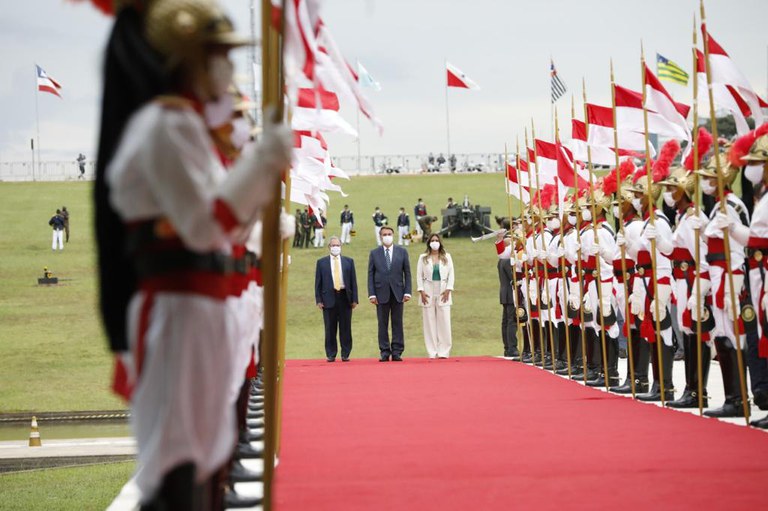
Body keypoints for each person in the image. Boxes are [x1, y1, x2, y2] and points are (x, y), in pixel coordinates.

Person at [94, 0, 291, 507]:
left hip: (203, 303)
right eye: (218, 55)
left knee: (204, 451)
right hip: (178, 307)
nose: (226, 67)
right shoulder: (167, 126)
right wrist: (263, 161)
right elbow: (205, 226)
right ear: (189, 61)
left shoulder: (190, 129)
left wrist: (261, 182)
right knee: (179, 461)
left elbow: (231, 225)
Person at [368, 226, 412, 361]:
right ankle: (385, 351)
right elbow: (370, 274)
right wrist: (372, 294)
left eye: (389, 234)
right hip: (381, 293)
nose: (387, 236)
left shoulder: (402, 252)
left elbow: (407, 273)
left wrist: (408, 291)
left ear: (393, 235)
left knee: (397, 322)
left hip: (398, 292)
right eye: (384, 234)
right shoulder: (374, 253)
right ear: (381, 237)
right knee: (382, 323)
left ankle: (397, 351)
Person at [315, 236, 358, 362]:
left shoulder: (348, 262)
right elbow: (318, 282)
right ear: (329, 247)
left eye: (337, 245)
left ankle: (345, 353)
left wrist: (354, 299)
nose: (335, 247)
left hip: (345, 297)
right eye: (333, 245)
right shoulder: (321, 262)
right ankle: (331, 353)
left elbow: (353, 281)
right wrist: (319, 300)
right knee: (330, 327)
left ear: (341, 246)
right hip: (329, 297)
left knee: (346, 327)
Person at [416, 233, 454, 358]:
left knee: (444, 322)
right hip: (428, 290)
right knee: (429, 322)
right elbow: (419, 275)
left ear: (440, 242)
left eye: (436, 240)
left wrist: (449, 289)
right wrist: (421, 290)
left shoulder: (447, 257)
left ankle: (444, 351)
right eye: (432, 240)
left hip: (443, 290)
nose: (434, 242)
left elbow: (451, 274)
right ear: (429, 243)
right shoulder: (423, 258)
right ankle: (432, 352)